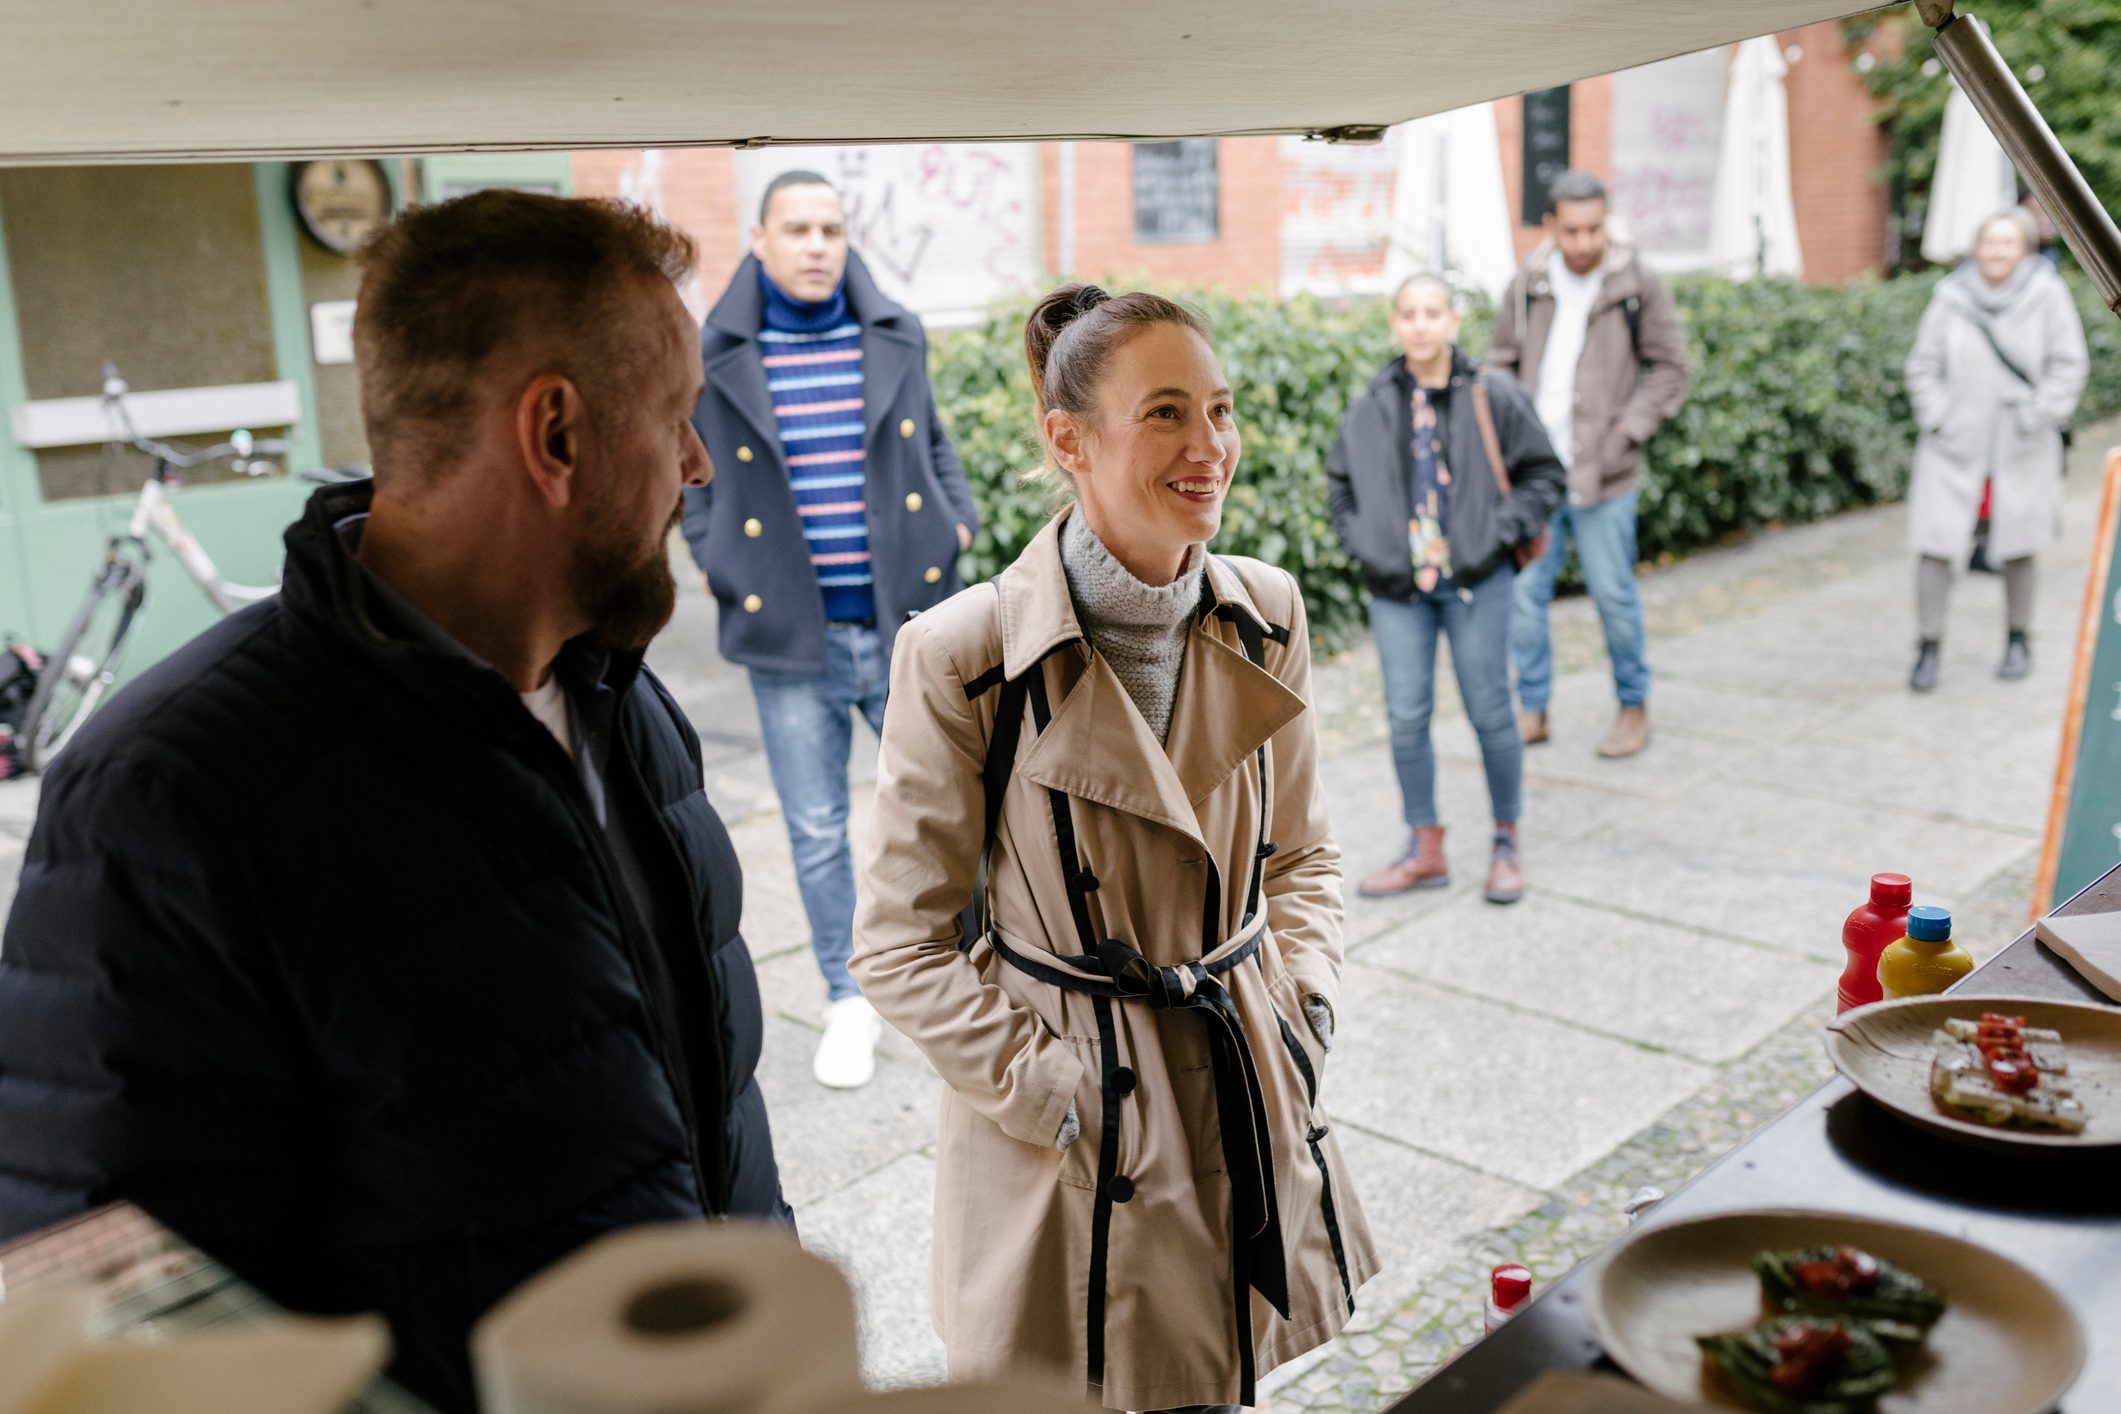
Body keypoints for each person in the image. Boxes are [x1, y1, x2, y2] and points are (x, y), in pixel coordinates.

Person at [0, 192, 790, 1412]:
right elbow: (127, 1335)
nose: (698, 464)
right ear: (558, 435)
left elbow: (700, 1131)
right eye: (680, 418)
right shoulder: (166, 802)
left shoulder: (628, 708)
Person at [851, 285, 1378, 1413]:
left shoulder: (1266, 613)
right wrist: (1059, 1091)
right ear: (1065, 439)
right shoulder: (965, 656)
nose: (1211, 447)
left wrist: (1305, 1010)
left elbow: (1304, 860)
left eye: (1223, 410)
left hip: (1239, 1081)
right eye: (1168, 413)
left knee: (1220, 1387)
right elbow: (899, 946)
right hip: (1070, 1146)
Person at [683, 169, 979, 1089]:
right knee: (815, 831)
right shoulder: (712, 351)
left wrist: (955, 520)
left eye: (831, 228)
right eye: (797, 228)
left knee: (950, 810)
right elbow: (690, 482)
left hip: (905, 629)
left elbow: (933, 442)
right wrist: (720, 561)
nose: (817, 244)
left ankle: (971, 978)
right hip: (791, 641)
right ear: (760, 240)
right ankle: (848, 1002)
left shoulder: (892, 331)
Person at [1328, 274, 1565, 904]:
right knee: (1407, 717)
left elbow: (1545, 475)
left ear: (1453, 321)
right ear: (1395, 323)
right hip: (1398, 590)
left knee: (1491, 711)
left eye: (1433, 312)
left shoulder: (1493, 393)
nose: (1421, 324)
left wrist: (1495, 533)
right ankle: (1424, 848)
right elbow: (1340, 484)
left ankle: (1506, 842)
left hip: (1476, 584)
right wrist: (1367, 545)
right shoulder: (1375, 400)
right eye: (1409, 313)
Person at [1488, 169, 1689, 759]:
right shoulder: (1527, 283)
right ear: (1550, 225)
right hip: (1536, 475)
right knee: (1526, 601)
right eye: (1571, 230)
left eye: (1594, 228)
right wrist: (1507, 427)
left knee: (1614, 596)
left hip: (1607, 472)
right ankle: (1534, 708)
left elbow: (1671, 367)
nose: (1583, 242)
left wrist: (1628, 430)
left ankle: (1632, 706)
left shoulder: (1635, 283)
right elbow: (1498, 362)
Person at [1902, 206, 2088, 691]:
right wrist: (1938, 416)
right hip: (1952, 448)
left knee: (2017, 548)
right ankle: (1928, 647)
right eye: (1990, 242)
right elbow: (1922, 367)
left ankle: (2018, 638)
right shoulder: (1950, 299)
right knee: (1936, 547)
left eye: (2008, 243)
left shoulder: (2048, 295)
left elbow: (2069, 366)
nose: (1997, 252)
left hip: (2021, 446)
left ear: (2024, 249)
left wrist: (2038, 413)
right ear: (1976, 247)